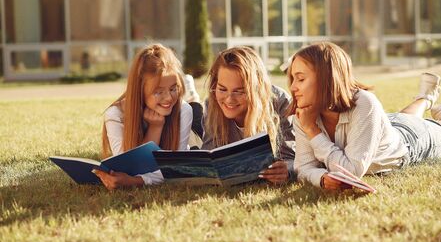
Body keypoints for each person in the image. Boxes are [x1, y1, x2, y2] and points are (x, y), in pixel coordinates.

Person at [288, 42, 441, 190]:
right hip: (387, 126)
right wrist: (321, 178)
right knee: (404, 117)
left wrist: (312, 130)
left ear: (327, 78)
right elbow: (303, 168)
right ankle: (425, 98)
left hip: (410, 141)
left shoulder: (365, 103)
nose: (293, 87)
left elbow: (351, 170)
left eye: (300, 79)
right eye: (293, 79)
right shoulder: (303, 113)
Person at [94, 44, 193, 190]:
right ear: (140, 91)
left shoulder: (183, 110)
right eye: (158, 92)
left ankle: (191, 92)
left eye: (173, 88)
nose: (168, 98)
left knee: (195, 107)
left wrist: (137, 181)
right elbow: (130, 169)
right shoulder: (115, 115)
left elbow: (176, 169)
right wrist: (155, 127)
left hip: (193, 135)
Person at [202, 46, 296, 184]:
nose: (229, 100)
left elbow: (292, 158)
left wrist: (286, 170)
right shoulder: (212, 105)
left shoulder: (280, 102)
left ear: (256, 89)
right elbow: (209, 155)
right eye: (222, 89)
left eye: (239, 91)